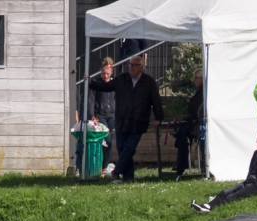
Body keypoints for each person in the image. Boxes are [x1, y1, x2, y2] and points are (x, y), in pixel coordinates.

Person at [88, 55, 163, 184]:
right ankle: (128, 178)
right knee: (123, 148)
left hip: (138, 121)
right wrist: (91, 83)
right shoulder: (122, 79)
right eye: (130, 65)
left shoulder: (148, 82)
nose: (131, 67)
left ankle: (116, 171)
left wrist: (159, 117)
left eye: (135, 65)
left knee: (129, 148)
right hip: (122, 121)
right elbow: (106, 87)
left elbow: (156, 100)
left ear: (142, 67)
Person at [191, 133, 257, 212]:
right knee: (225, 191)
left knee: (234, 195)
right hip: (250, 181)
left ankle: (210, 207)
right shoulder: (256, 153)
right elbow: (252, 168)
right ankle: (207, 206)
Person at [76, 58, 115, 177]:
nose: (105, 76)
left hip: (112, 115)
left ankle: (104, 167)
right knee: (106, 139)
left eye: (108, 74)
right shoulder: (97, 84)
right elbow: (91, 101)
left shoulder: (114, 84)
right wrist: (92, 115)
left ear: (111, 73)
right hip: (100, 115)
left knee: (109, 143)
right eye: (103, 73)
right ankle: (96, 166)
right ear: (100, 72)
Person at [174, 68, 203, 180]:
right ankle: (181, 164)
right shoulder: (200, 91)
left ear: (201, 78)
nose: (193, 81)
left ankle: (182, 165)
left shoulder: (203, 92)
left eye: (195, 78)